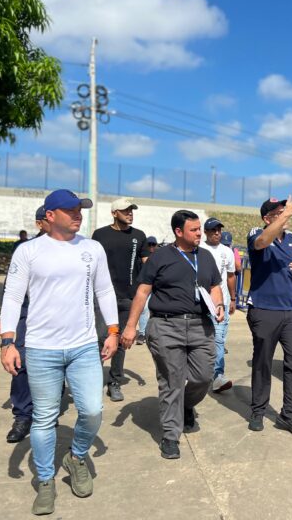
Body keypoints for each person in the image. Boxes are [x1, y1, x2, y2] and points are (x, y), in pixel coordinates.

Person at [0, 189, 119, 516]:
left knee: (93, 410)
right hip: (40, 348)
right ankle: (47, 481)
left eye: (79, 209)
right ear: (49, 215)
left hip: (83, 347)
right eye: (70, 210)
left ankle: (77, 455)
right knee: (44, 419)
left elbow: (104, 290)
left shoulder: (92, 249)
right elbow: (12, 297)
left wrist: (112, 330)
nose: (77, 214)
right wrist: (7, 341)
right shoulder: (29, 251)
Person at [120, 210, 223, 460]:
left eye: (200, 229)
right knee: (172, 381)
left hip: (201, 326)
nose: (200, 234)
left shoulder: (206, 257)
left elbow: (214, 286)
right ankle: (170, 435)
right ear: (179, 232)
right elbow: (143, 292)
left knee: (204, 376)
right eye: (194, 230)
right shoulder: (161, 257)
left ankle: (186, 405)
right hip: (166, 327)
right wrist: (131, 326)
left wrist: (218, 305)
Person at [245, 197, 292, 435]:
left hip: (290, 310)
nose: (286, 215)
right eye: (279, 213)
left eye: (286, 211)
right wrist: (286, 215)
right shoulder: (257, 233)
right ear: (267, 218)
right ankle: (258, 411)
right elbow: (262, 242)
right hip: (264, 309)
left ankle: (289, 415)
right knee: (262, 362)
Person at [91, 197, 149, 402]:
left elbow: (147, 264)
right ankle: (93, 380)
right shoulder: (100, 235)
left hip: (128, 298)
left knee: (122, 342)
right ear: (114, 213)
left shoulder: (139, 236)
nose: (130, 213)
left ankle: (114, 382)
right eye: (125, 210)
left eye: (132, 210)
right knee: (100, 339)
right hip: (101, 296)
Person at [0, 206, 48, 444]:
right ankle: (22, 416)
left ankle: (45, 412)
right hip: (26, 313)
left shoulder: (73, 248)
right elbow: (11, 289)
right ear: (41, 222)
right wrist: (4, 319)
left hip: (57, 319)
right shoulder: (26, 249)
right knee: (22, 362)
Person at [200, 217, 236, 393]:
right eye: (213, 230)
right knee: (198, 339)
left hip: (221, 302)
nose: (217, 233)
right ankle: (193, 374)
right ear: (206, 232)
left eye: (219, 230)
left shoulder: (227, 252)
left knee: (219, 339)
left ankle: (218, 376)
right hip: (200, 302)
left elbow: (230, 276)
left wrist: (233, 299)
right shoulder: (199, 249)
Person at [136, 236, 158, 346]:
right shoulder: (140, 259)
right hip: (144, 287)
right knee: (144, 309)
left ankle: (151, 333)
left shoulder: (159, 257)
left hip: (157, 288)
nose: (151, 247)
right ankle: (142, 333)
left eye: (153, 245)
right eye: (149, 245)